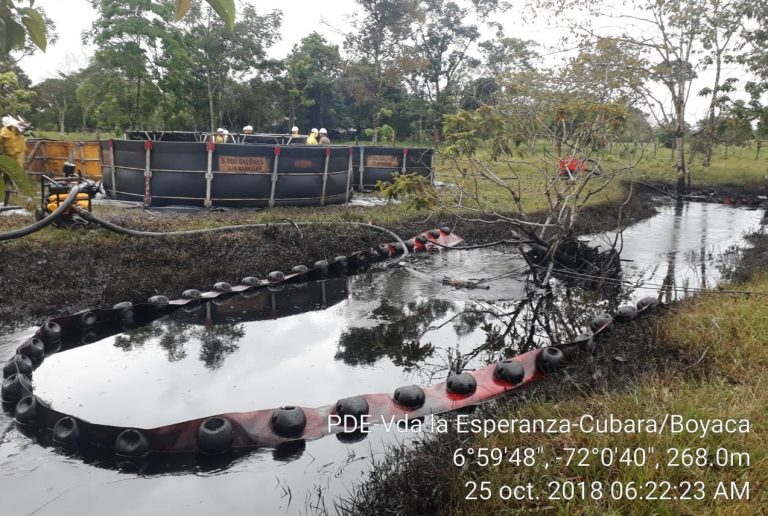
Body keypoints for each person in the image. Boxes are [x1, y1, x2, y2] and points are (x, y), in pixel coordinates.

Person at [1, 116, 29, 205]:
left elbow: (23, 128)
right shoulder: (3, 132)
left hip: (19, 153)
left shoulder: (16, 129)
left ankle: (13, 187)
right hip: (8, 155)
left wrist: (21, 123)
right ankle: (8, 187)